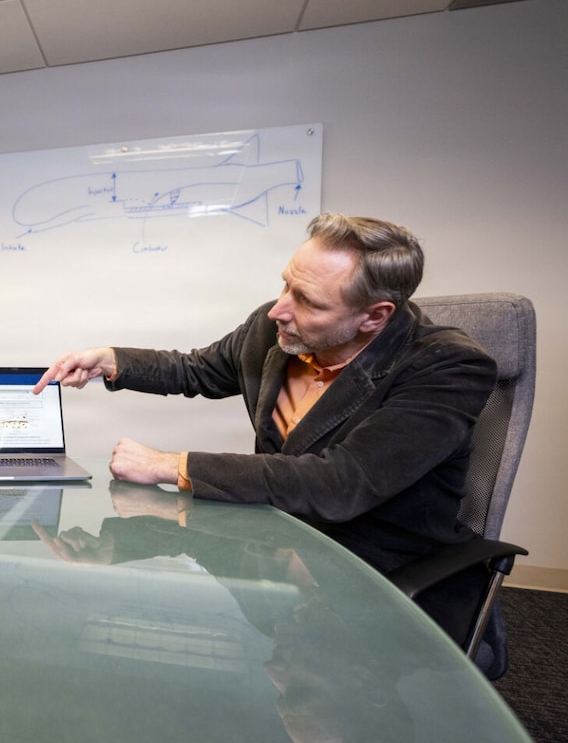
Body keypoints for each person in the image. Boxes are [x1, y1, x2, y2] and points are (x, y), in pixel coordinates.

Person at [35, 212, 502, 671]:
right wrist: (112, 360)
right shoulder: (273, 329)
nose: (279, 308)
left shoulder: (447, 366)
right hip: (272, 551)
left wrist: (172, 464)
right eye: (285, 285)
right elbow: (197, 368)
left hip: (374, 572)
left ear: (374, 317)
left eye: (308, 301)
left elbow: (341, 483)